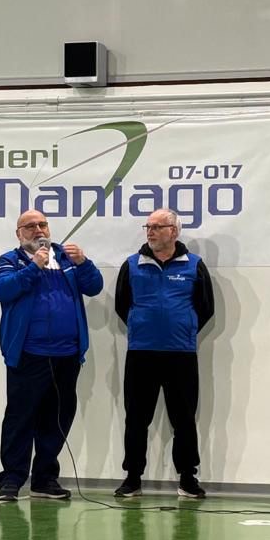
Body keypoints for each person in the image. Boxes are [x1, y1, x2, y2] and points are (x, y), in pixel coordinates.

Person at [0, 209, 104, 502]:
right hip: (29, 354)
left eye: (42, 224)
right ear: (19, 234)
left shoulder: (66, 258)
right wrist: (34, 267)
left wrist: (84, 263)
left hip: (67, 355)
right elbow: (3, 290)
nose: (38, 230)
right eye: (30, 226)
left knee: (56, 419)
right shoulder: (10, 261)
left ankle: (44, 479)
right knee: (20, 418)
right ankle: (12, 479)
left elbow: (94, 286)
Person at [112, 209, 215, 500]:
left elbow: (206, 307)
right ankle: (133, 477)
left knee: (184, 418)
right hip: (141, 353)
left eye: (158, 226)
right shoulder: (132, 265)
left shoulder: (194, 265)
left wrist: (184, 327)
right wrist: (142, 326)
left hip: (181, 354)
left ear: (174, 231)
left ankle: (188, 478)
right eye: (148, 226)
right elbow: (122, 305)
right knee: (136, 418)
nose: (151, 231)